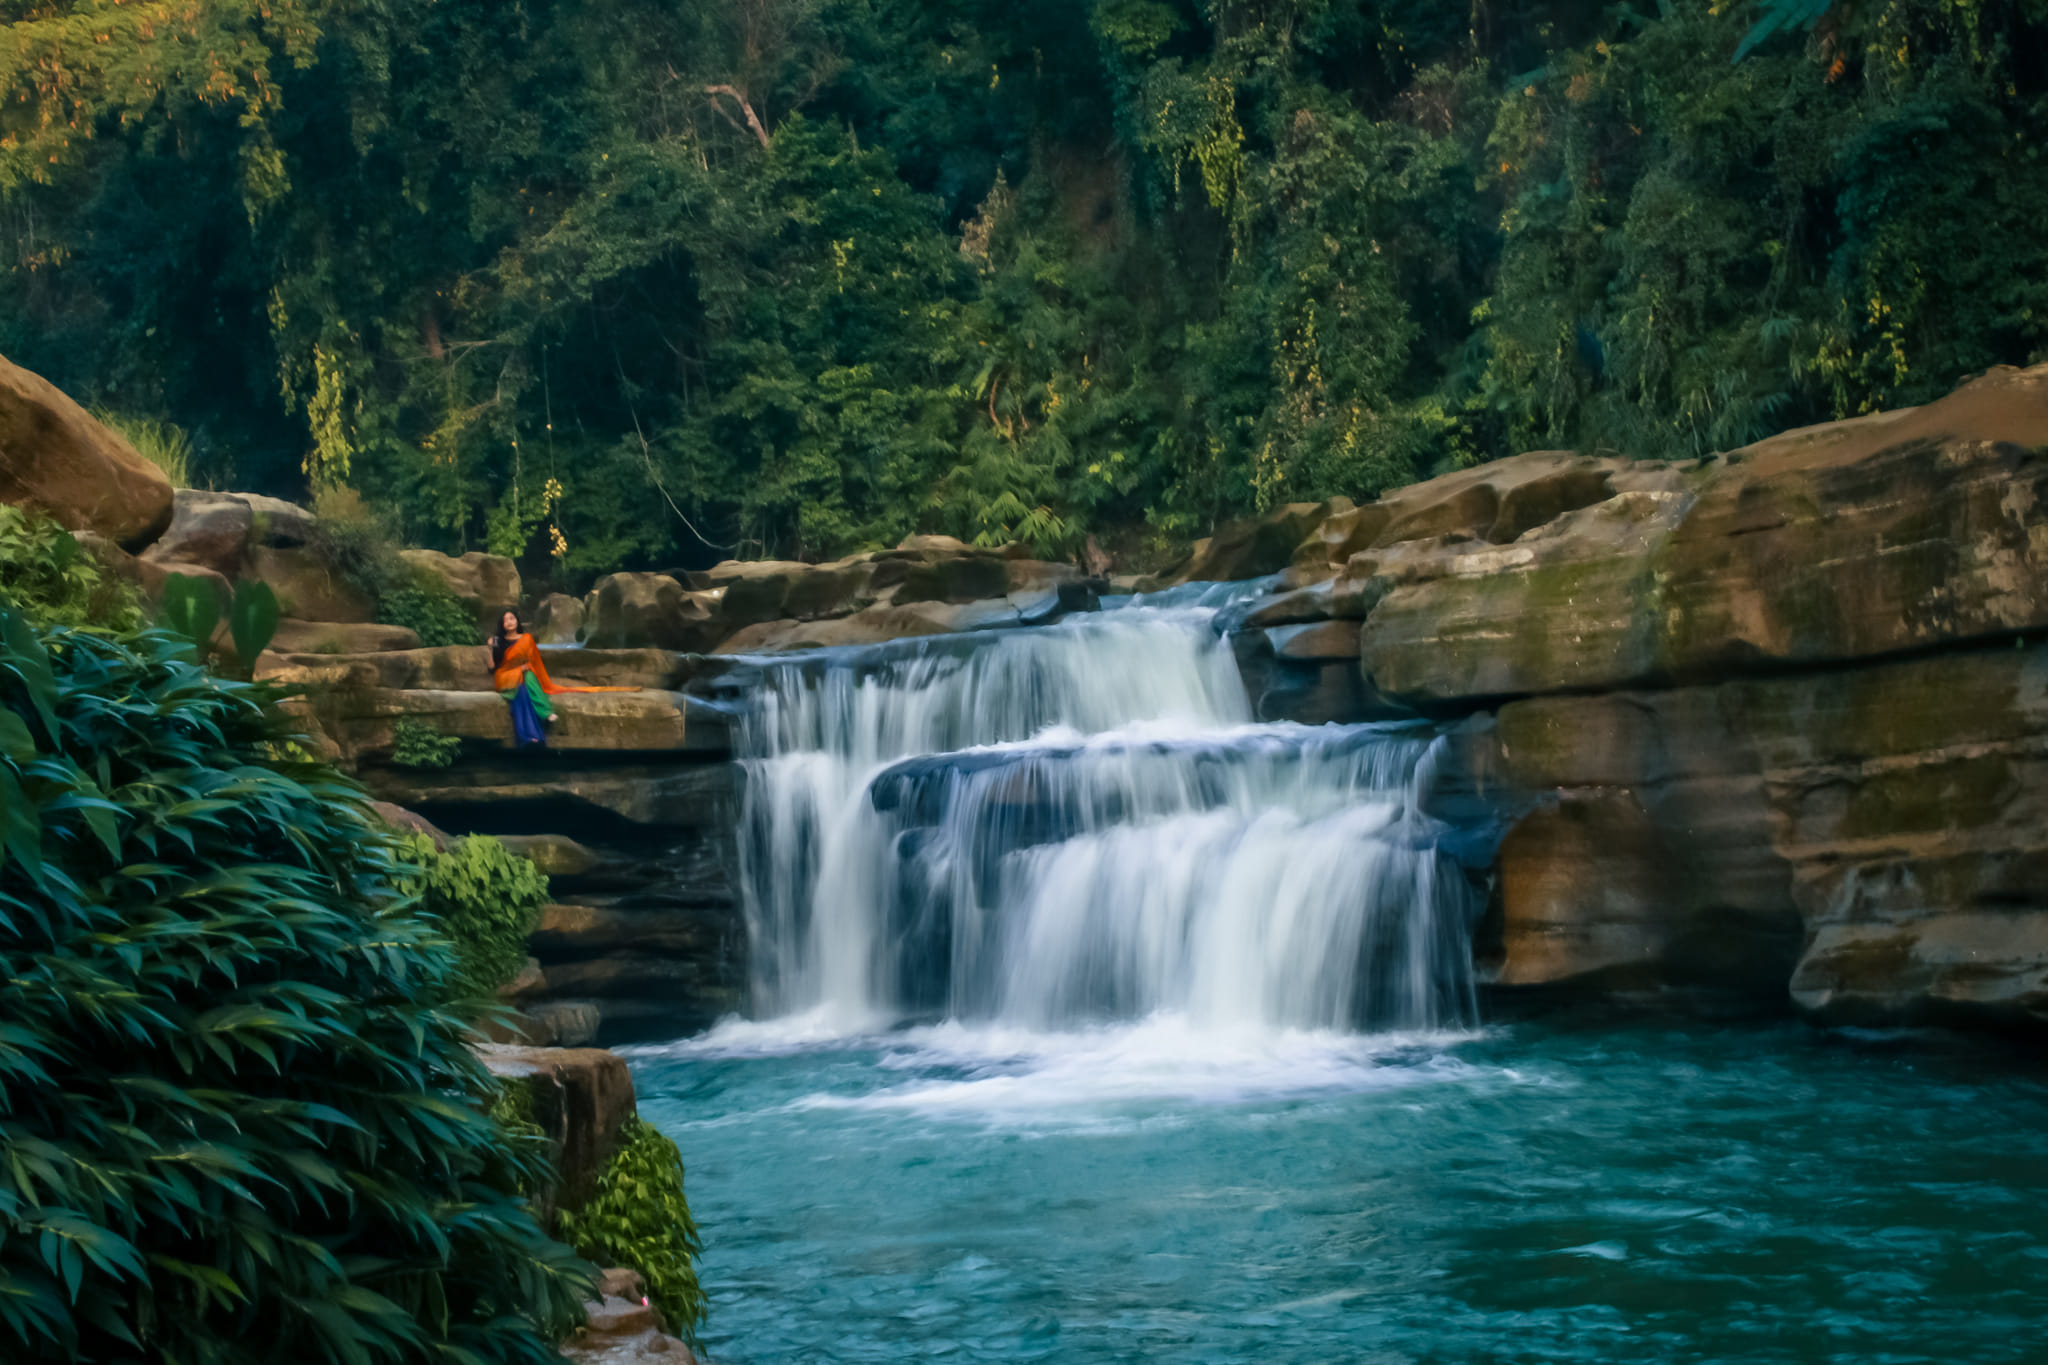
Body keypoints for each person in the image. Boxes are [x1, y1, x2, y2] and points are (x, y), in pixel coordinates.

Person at [488, 609, 634, 746]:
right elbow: (493, 668)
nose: (509, 621)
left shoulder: (526, 639)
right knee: (523, 681)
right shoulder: (498, 641)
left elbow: (534, 662)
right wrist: (491, 648)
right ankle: (543, 716)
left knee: (524, 691)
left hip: (524, 677)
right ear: (502, 624)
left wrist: (524, 669)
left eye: (511, 618)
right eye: (505, 620)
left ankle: (530, 736)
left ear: (517, 621)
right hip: (505, 676)